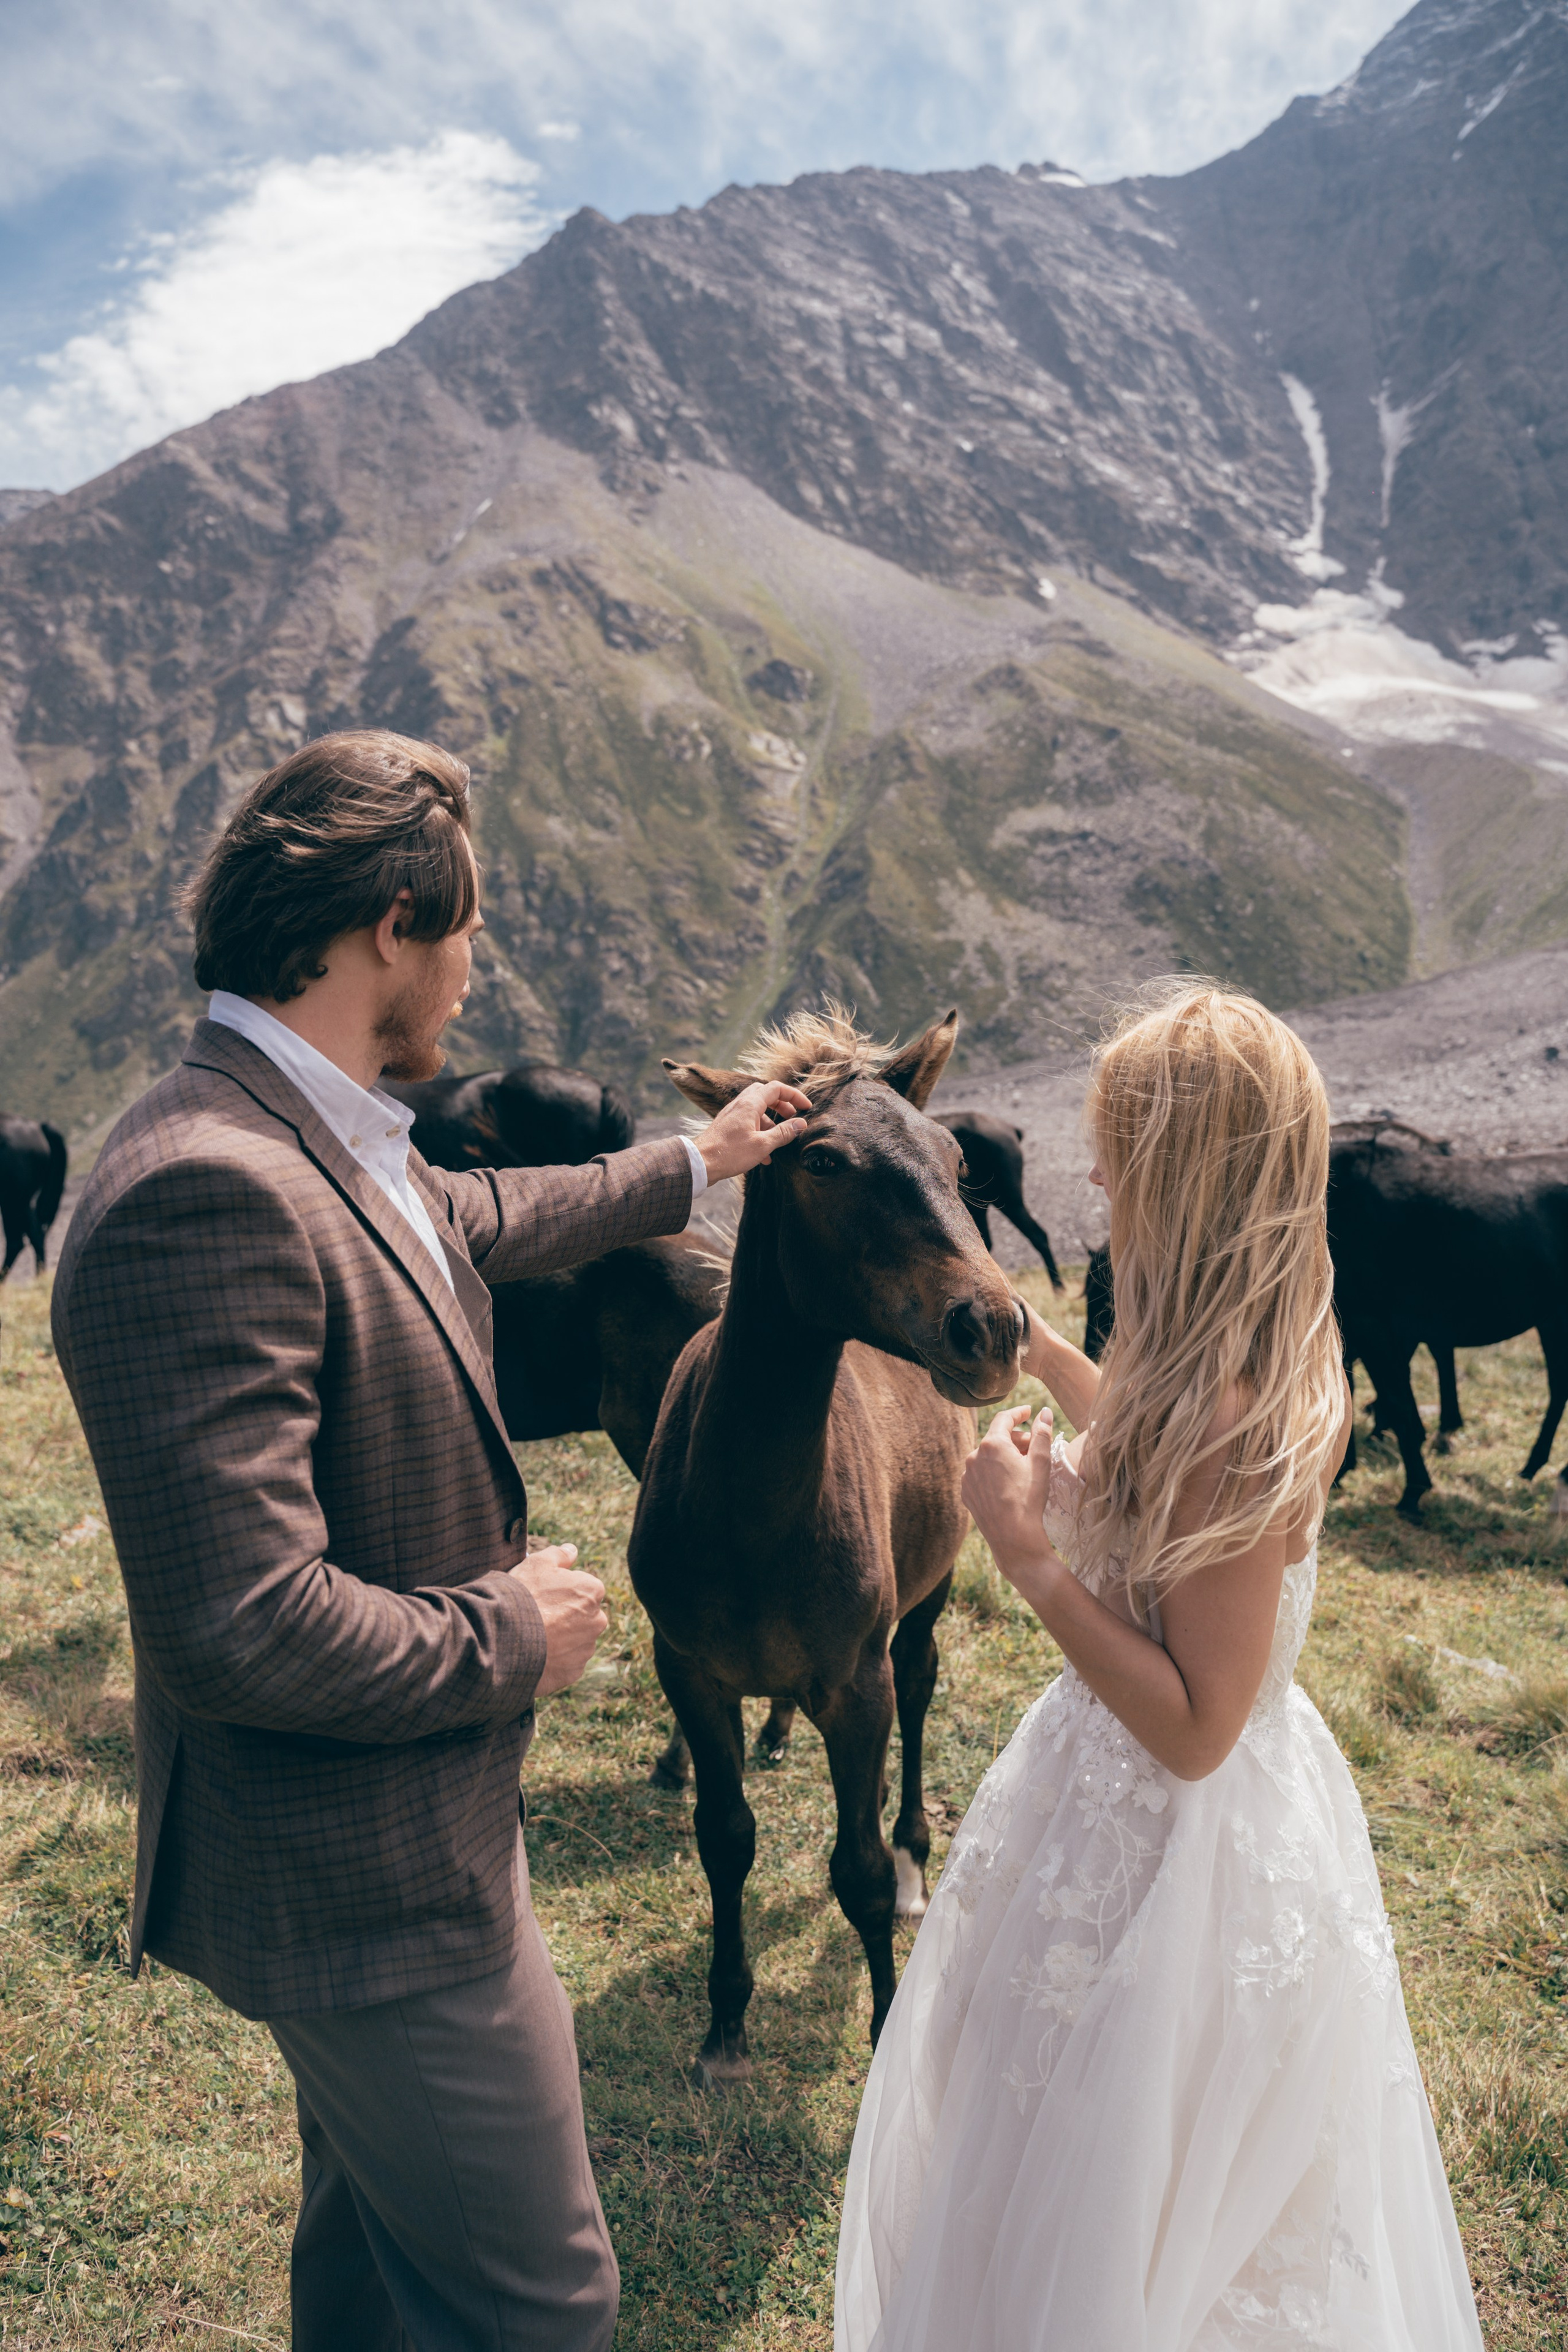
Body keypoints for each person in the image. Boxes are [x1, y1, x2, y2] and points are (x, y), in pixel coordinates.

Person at [51, 729, 811, 2352]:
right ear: (393, 925)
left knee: (377, 2285)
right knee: (541, 2305)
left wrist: (703, 1160)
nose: (476, 969)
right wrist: (514, 1633)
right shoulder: (208, 1188)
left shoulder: (305, 1130)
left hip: (402, 1836)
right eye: (468, 931)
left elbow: (469, 1223)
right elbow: (240, 1624)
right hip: (370, 1885)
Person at [835, 983, 1482, 2351]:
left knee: (1123, 2181)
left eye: (1118, 1154)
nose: (1096, 1180)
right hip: (1119, 1811)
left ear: (1187, 1182)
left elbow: (1195, 1728)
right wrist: (1046, 1355)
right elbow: (1147, 1446)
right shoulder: (1233, 1359)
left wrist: (1028, 1555)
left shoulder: (1237, 1425)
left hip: (1174, 1855)